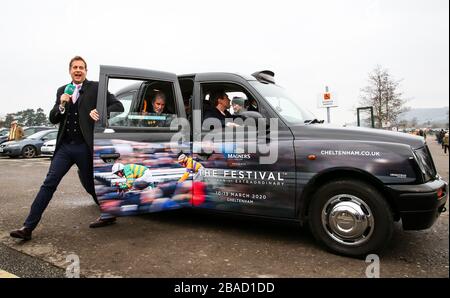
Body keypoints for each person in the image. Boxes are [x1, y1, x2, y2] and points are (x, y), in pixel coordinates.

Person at [10, 56, 124, 240]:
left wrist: (101, 112)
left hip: (85, 146)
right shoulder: (62, 90)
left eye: (81, 67)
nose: (78, 70)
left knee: (91, 184)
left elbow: (118, 105)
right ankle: (27, 227)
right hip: (65, 147)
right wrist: (62, 104)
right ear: (70, 70)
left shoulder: (95, 88)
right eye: (74, 67)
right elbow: (53, 118)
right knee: (49, 184)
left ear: (86, 71)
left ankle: (109, 213)